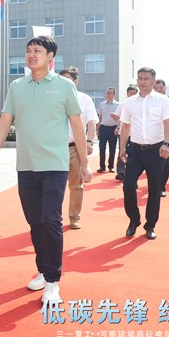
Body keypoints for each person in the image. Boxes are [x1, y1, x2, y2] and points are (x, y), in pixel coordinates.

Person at [0, 36, 91, 305]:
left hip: (55, 165)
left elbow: (77, 125)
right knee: (35, 222)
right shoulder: (17, 86)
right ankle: (43, 271)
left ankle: (53, 281)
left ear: (50, 56)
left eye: (38, 51)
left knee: (51, 220)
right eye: (28, 50)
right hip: (26, 166)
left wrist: (85, 162)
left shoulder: (64, 86)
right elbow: (5, 121)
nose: (31, 55)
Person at [118, 67, 169, 240]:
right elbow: (125, 126)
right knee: (128, 185)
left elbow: (168, 123)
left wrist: (166, 144)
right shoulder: (129, 102)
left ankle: (150, 225)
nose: (142, 82)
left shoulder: (163, 101)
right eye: (140, 78)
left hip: (156, 150)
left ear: (153, 81)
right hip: (135, 150)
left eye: (146, 79)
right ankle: (133, 220)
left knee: (154, 189)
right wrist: (121, 148)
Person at [58, 67, 98, 230]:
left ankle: (74, 217)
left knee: (76, 185)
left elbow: (91, 121)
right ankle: (54, 218)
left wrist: (89, 141)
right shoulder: (54, 97)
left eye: (67, 80)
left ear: (76, 81)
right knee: (55, 186)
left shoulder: (84, 99)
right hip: (54, 149)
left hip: (74, 147)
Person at [113, 86, 137, 181]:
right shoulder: (123, 104)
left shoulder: (140, 104)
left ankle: (132, 171)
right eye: (130, 93)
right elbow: (116, 116)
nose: (132, 95)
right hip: (123, 133)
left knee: (133, 153)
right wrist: (119, 123)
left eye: (134, 93)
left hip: (136, 134)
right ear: (127, 94)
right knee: (122, 151)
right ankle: (121, 172)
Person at [97, 87, 119, 173]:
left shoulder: (118, 105)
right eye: (107, 93)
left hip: (113, 129)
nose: (108, 94)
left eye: (110, 93)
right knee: (102, 148)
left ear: (114, 94)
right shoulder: (102, 104)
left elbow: (119, 118)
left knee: (112, 149)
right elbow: (100, 117)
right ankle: (102, 166)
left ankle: (111, 166)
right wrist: (97, 129)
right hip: (103, 128)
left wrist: (117, 128)